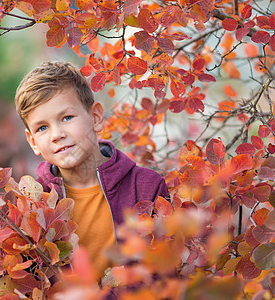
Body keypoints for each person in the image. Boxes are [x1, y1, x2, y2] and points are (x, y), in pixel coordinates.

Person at [14, 61, 169, 279]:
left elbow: (160, 275)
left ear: (95, 117)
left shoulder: (146, 187)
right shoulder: (33, 202)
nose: (56, 134)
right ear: (32, 141)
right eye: (42, 128)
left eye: (67, 118)